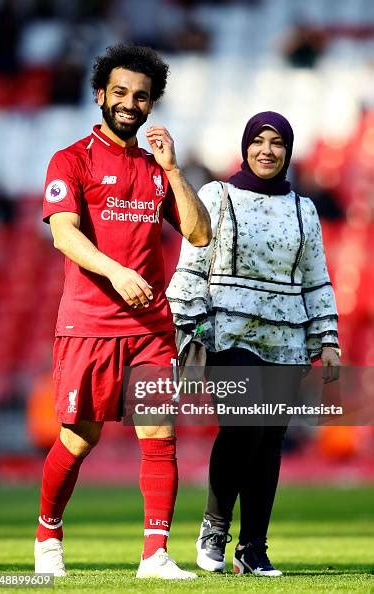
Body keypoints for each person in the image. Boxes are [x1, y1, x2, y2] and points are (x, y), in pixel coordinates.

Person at [35, 44, 211, 580]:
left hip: (152, 327)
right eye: (120, 93)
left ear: (151, 104)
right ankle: (47, 537)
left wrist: (174, 170)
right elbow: (64, 233)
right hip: (88, 324)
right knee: (78, 437)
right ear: (100, 97)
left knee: (160, 435)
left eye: (141, 95)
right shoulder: (71, 160)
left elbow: (200, 234)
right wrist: (115, 271)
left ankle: (155, 555)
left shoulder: (154, 169)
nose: (130, 103)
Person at [167, 111, 340, 576]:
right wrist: (191, 325)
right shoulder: (216, 197)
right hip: (229, 333)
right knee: (243, 427)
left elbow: (315, 279)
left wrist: (327, 338)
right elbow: (191, 264)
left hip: (287, 337)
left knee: (269, 440)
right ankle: (215, 528)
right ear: (245, 147)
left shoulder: (304, 209)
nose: (268, 150)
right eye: (259, 141)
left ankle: (254, 547)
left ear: (288, 151)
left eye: (277, 142)